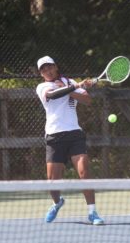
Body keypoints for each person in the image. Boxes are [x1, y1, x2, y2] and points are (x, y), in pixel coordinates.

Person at [36, 56, 104, 225]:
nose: (48, 71)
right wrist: (75, 86)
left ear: (56, 67)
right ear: (41, 74)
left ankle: (92, 212)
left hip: (74, 134)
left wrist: (72, 87)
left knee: (84, 172)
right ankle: (57, 203)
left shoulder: (69, 81)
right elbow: (53, 95)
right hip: (54, 137)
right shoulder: (43, 87)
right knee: (52, 182)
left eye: (50, 67)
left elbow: (87, 100)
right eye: (44, 70)